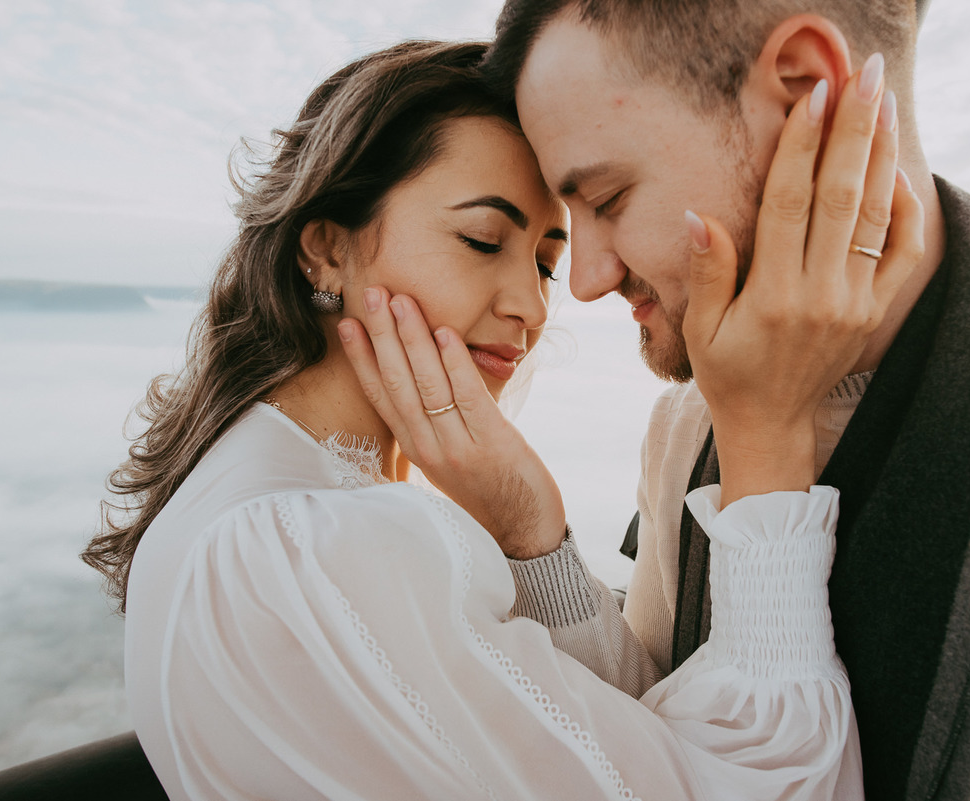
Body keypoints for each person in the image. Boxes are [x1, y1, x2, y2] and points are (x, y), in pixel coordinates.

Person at [80, 39, 924, 801]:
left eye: (546, 265)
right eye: (484, 239)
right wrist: (765, 437)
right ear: (326, 247)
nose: (529, 306)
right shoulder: (317, 547)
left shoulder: (269, 498)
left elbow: (605, 744)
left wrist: (531, 526)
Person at [452, 2, 970, 800]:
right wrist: (532, 530)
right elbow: (663, 737)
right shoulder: (689, 425)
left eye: (609, 197)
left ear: (807, 89)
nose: (586, 278)